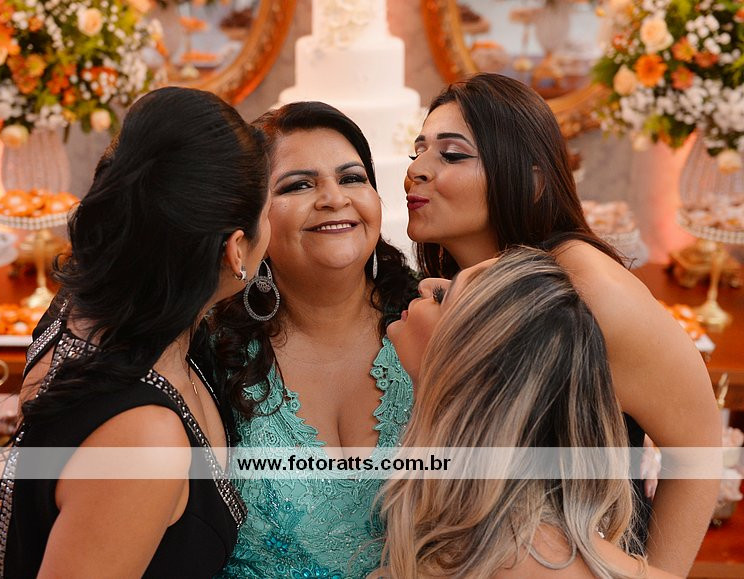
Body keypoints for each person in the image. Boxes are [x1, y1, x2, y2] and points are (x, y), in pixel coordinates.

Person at [0, 86, 271, 577]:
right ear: (236, 249)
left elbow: (31, 458)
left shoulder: (91, 312)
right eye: (269, 213)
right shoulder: (142, 443)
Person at [404, 73, 720, 576]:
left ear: (532, 182)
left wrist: (656, 571)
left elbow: (699, 444)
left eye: (452, 155)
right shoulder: (447, 290)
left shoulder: (589, 291)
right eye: (417, 151)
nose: (416, 170)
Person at [209, 101, 418, 578]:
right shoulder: (210, 352)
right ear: (253, 218)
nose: (333, 198)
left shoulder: (434, 324)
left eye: (352, 178)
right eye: (298, 185)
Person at [382, 247, 676, 578]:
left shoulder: (519, 557)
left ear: (475, 370)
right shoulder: (482, 533)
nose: (424, 285)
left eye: (441, 299)